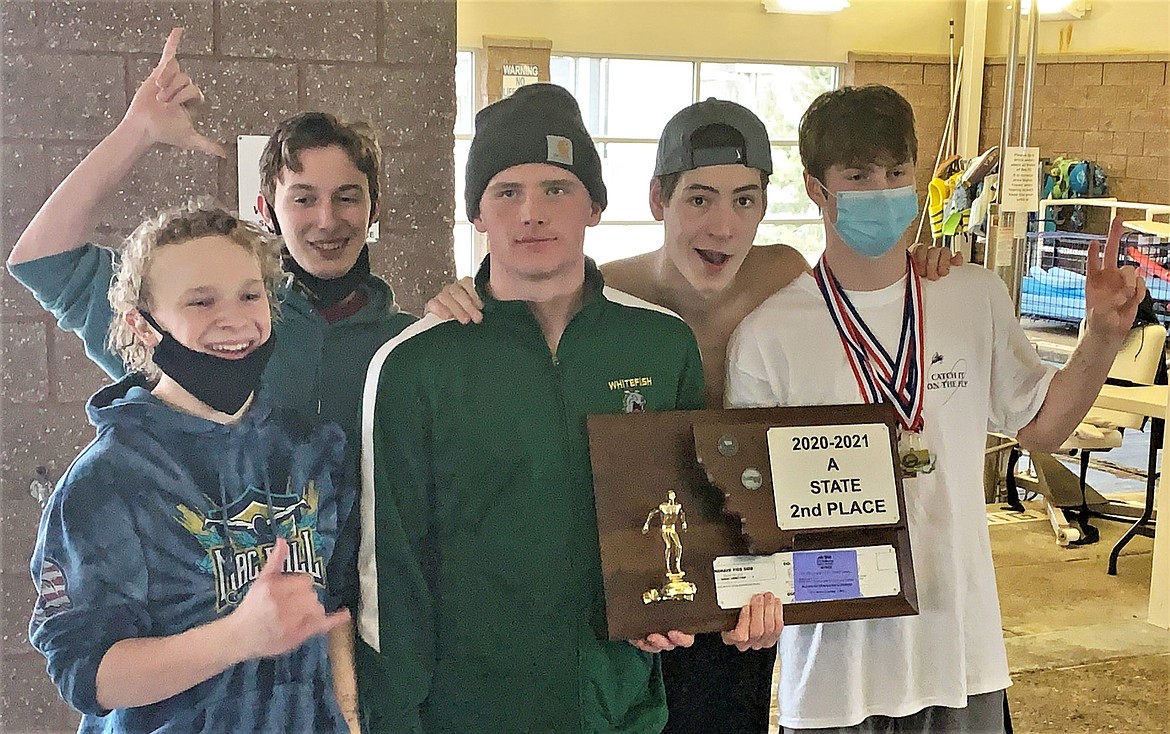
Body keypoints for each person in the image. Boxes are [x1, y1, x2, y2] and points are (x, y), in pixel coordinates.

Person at [426, 97, 962, 733]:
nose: (723, 226)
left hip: (744, 561)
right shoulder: (616, 294)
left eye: (744, 200)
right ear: (658, 200)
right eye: (699, 199)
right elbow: (530, 291)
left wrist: (924, 262)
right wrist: (462, 294)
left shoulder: (782, 275)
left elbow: (870, 288)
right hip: (640, 566)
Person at [356, 83, 779, 733]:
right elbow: (392, 580)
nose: (533, 213)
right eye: (507, 191)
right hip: (468, 714)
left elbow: (686, 524)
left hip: (619, 709)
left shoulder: (661, 346)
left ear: (596, 206)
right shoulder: (415, 366)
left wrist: (682, 610)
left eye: (557, 189)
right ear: (477, 213)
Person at [724, 84, 1145, 734]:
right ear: (816, 189)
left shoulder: (970, 298)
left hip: (960, 653)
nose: (882, 190)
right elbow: (750, 504)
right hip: (836, 663)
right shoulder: (768, 335)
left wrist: (1102, 337)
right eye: (858, 176)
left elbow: (1044, 425)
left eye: (896, 173)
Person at [28, 200, 359, 733]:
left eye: (251, 295)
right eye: (200, 302)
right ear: (142, 324)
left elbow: (334, 610)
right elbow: (87, 677)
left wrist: (349, 719)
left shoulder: (313, 449)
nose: (234, 319)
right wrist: (237, 638)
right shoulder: (106, 481)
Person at [5, 28, 415, 450]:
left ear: (374, 210)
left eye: (346, 197)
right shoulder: (209, 329)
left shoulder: (412, 347)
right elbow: (42, 259)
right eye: (303, 199)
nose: (327, 220)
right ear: (267, 211)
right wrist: (137, 131)